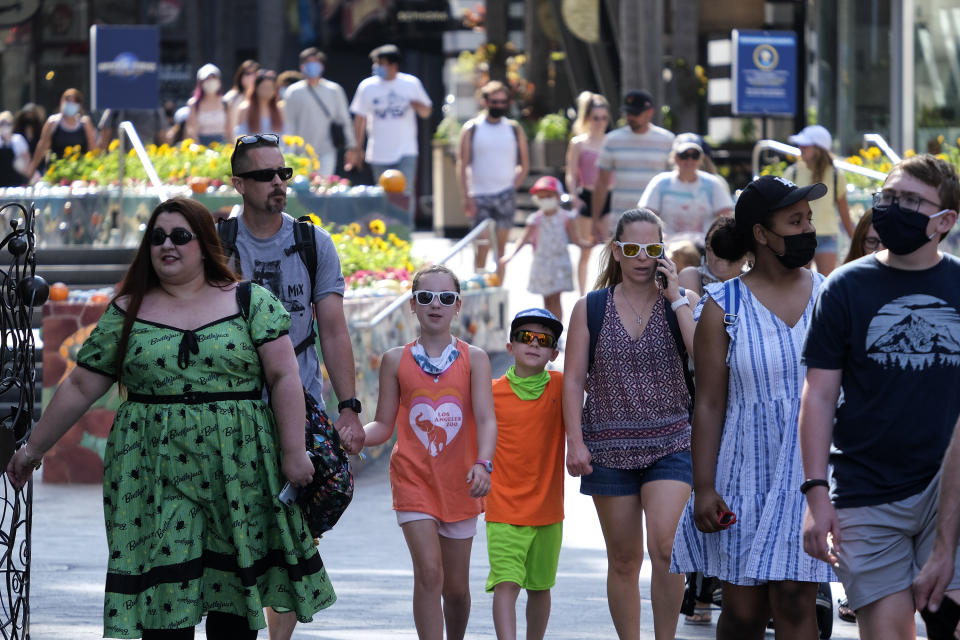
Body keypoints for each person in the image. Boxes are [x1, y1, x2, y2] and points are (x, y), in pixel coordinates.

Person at [7, 197, 335, 638]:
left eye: (180, 236)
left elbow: (283, 376)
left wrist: (294, 453)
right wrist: (32, 450)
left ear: (204, 244)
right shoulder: (126, 311)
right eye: (157, 237)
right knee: (164, 606)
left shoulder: (250, 301)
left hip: (240, 468)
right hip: (153, 470)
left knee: (234, 603)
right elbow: (83, 385)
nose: (168, 245)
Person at [800, 154, 960, 639]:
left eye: (911, 200)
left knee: (950, 623)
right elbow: (820, 396)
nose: (894, 208)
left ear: (945, 221)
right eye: (888, 197)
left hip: (949, 484)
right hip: (865, 489)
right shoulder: (846, 287)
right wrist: (815, 492)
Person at [670, 175, 834, 639]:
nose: (806, 229)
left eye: (808, 219)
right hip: (742, 470)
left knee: (796, 599)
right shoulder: (723, 307)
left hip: (808, 471)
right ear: (761, 234)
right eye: (794, 220)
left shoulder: (831, 295)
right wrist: (702, 486)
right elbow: (708, 403)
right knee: (742, 610)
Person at [227, 132, 366, 640]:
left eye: (283, 173)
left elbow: (332, 328)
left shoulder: (312, 242)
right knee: (239, 530)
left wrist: (348, 408)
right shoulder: (218, 243)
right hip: (235, 408)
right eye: (264, 175)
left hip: (301, 404)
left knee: (306, 515)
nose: (278, 183)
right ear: (239, 183)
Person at [563, 208, 698, 640]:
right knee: (623, 559)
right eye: (634, 249)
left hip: (672, 441)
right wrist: (575, 442)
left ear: (664, 252)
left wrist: (677, 296)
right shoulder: (591, 307)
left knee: (666, 546)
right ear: (617, 251)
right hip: (608, 448)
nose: (643, 257)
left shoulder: (684, 302)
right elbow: (573, 380)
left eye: (653, 248)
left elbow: (705, 361)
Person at [363, 264, 497, 640]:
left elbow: (486, 419)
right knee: (429, 574)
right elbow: (383, 426)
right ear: (413, 305)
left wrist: (484, 464)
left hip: (461, 484)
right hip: (413, 480)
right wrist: (354, 437)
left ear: (458, 305)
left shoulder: (476, 358)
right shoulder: (394, 360)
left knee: (455, 589)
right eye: (425, 297)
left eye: (445, 297)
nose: (435, 304)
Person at [486, 308, 565, 640]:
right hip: (502, 509)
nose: (533, 344)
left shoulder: (562, 387)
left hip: (548, 511)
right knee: (506, 583)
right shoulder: (489, 393)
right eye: (525, 337)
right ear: (510, 347)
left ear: (553, 353)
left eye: (543, 340)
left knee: (540, 586)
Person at [457, 80, 530, 279]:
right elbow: (462, 164)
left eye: (502, 102)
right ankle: (479, 285)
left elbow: (524, 163)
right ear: (485, 101)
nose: (498, 106)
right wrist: (467, 196)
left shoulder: (513, 128)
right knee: (482, 246)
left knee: (501, 250)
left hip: (505, 193)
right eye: (494, 101)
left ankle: (498, 291)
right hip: (479, 194)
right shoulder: (472, 128)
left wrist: (513, 184)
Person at [350, 44, 432, 217]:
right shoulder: (367, 86)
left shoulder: (410, 83)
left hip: (406, 150)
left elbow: (427, 112)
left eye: (381, 63)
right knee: (383, 194)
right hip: (378, 151)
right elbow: (360, 119)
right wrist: (357, 148)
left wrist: (417, 105)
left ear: (394, 65)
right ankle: (387, 233)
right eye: (376, 63)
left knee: (405, 192)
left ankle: (404, 231)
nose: (377, 67)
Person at [499, 176, 588, 322]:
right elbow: (523, 240)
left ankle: (557, 327)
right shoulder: (535, 219)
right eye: (542, 197)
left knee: (556, 298)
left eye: (549, 196)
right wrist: (510, 256)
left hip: (559, 264)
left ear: (557, 196)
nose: (545, 200)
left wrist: (588, 244)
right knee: (547, 299)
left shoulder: (566, 217)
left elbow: (576, 239)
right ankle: (549, 326)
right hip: (542, 265)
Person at [590, 91, 674, 242]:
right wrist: (595, 219)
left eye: (636, 113)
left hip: (657, 222)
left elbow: (673, 182)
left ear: (650, 113)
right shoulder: (612, 140)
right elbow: (601, 183)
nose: (630, 118)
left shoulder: (667, 140)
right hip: (621, 221)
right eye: (628, 113)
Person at [638, 133, 734, 243]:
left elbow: (726, 217)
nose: (690, 160)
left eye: (695, 155)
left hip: (705, 247)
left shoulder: (713, 183)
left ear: (701, 158)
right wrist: (658, 236)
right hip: (668, 246)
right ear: (675, 157)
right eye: (684, 155)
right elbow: (646, 216)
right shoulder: (660, 182)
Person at [785, 125, 854, 275]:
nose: (800, 148)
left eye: (805, 145)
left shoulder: (837, 175)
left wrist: (856, 240)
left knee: (825, 285)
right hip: (799, 235)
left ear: (818, 149)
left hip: (828, 236)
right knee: (799, 286)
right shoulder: (793, 172)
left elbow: (844, 211)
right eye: (800, 145)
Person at [283, 47, 358, 177]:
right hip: (300, 153)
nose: (312, 66)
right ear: (302, 67)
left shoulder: (334, 90)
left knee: (323, 187)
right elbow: (288, 124)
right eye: (308, 63)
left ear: (322, 66)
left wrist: (351, 146)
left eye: (316, 63)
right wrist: (288, 152)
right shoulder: (293, 92)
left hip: (327, 149)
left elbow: (344, 119)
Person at [565, 92, 611, 294]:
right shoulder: (579, 143)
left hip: (609, 197)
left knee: (612, 249)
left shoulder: (611, 141)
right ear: (587, 119)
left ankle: (610, 293)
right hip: (586, 197)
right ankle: (582, 296)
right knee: (585, 250)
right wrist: (574, 196)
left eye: (603, 118)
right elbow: (571, 173)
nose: (600, 122)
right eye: (596, 118)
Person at [27, 88, 96, 179]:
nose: (70, 104)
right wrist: (31, 171)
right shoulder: (53, 123)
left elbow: (92, 149)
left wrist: (93, 172)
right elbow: (42, 147)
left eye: (74, 101)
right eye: (67, 100)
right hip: (56, 173)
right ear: (61, 102)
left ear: (79, 105)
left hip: (80, 173)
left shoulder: (85, 123)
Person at [678, 216, 750, 297]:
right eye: (710, 247)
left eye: (726, 247)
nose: (717, 254)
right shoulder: (692, 276)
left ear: (746, 254)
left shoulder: (755, 283)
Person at [185, 63, 229, 146]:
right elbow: (192, 131)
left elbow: (229, 130)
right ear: (201, 82)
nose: (211, 81)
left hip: (222, 145)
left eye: (213, 78)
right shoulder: (194, 104)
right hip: (202, 145)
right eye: (207, 79)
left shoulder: (225, 102)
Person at [235, 69, 283, 137]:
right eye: (264, 87)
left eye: (270, 88)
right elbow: (240, 133)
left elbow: (284, 134)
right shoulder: (245, 108)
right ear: (256, 88)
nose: (267, 91)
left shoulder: (280, 109)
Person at [224, 59, 260, 134]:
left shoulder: (263, 98)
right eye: (247, 73)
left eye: (254, 73)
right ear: (240, 76)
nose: (251, 77)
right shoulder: (231, 97)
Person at [0, 110, 31, 186]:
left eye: (8, 124)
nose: (5, 126)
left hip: (17, 182)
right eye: (2, 124)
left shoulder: (18, 139)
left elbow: (28, 159)